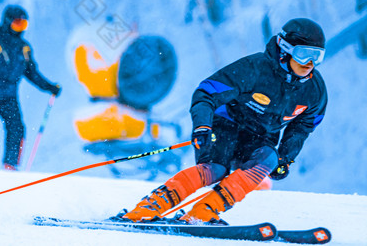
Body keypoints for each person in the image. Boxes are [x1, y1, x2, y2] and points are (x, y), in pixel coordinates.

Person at [121, 18, 328, 224]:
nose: (310, 63)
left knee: (269, 158)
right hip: (225, 126)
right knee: (216, 169)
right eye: (304, 55)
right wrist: (202, 125)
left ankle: (204, 211)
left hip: (259, 138)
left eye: (317, 56)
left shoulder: (314, 91)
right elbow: (206, 92)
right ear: (285, 50)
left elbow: (304, 126)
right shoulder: (254, 68)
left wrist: (285, 157)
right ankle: (148, 207)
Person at [0, 5, 61, 170]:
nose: (20, 28)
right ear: (7, 22)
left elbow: (32, 73)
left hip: (8, 95)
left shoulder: (24, 48)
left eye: (23, 25)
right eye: (17, 24)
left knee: (16, 127)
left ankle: (11, 165)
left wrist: (49, 87)